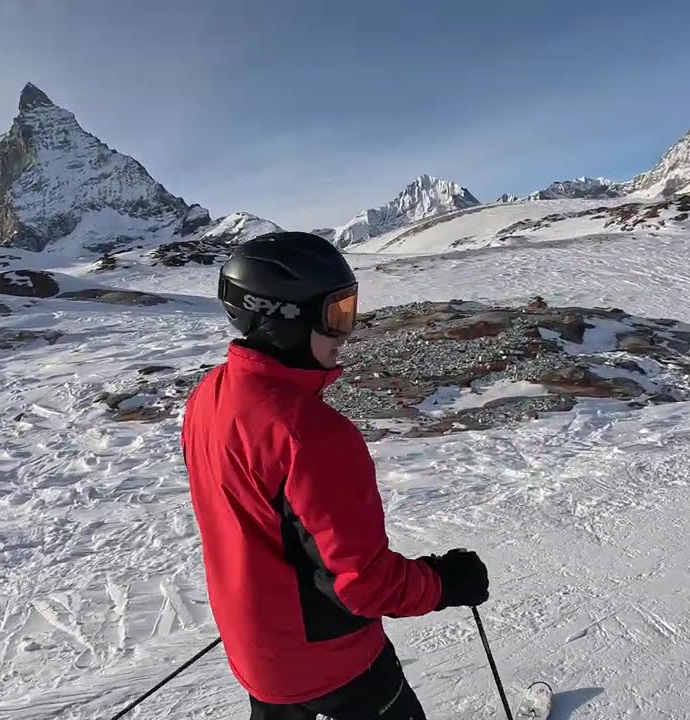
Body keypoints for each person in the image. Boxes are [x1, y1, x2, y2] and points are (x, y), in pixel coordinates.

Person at [180, 231, 491, 720]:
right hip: (333, 665)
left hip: (259, 655)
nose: (346, 333)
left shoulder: (210, 397)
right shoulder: (311, 434)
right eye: (335, 315)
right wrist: (445, 583)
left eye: (350, 310)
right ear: (282, 317)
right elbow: (363, 584)